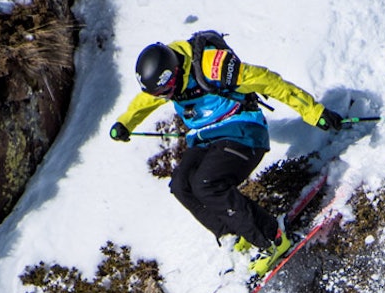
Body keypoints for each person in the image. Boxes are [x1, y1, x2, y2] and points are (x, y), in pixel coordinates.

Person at [109, 33, 343, 275]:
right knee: (181, 186)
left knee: (207, 184)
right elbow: (144, 101)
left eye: (166, 91)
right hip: (205, 137)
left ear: (175, 72)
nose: (166, 97)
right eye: (160, 95)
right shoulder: (165, 81)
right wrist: (125, 123)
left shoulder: (213, 67)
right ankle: (233, 234)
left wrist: (314, 112)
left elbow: (269, 82)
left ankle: (272, 239)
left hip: (243, 131)